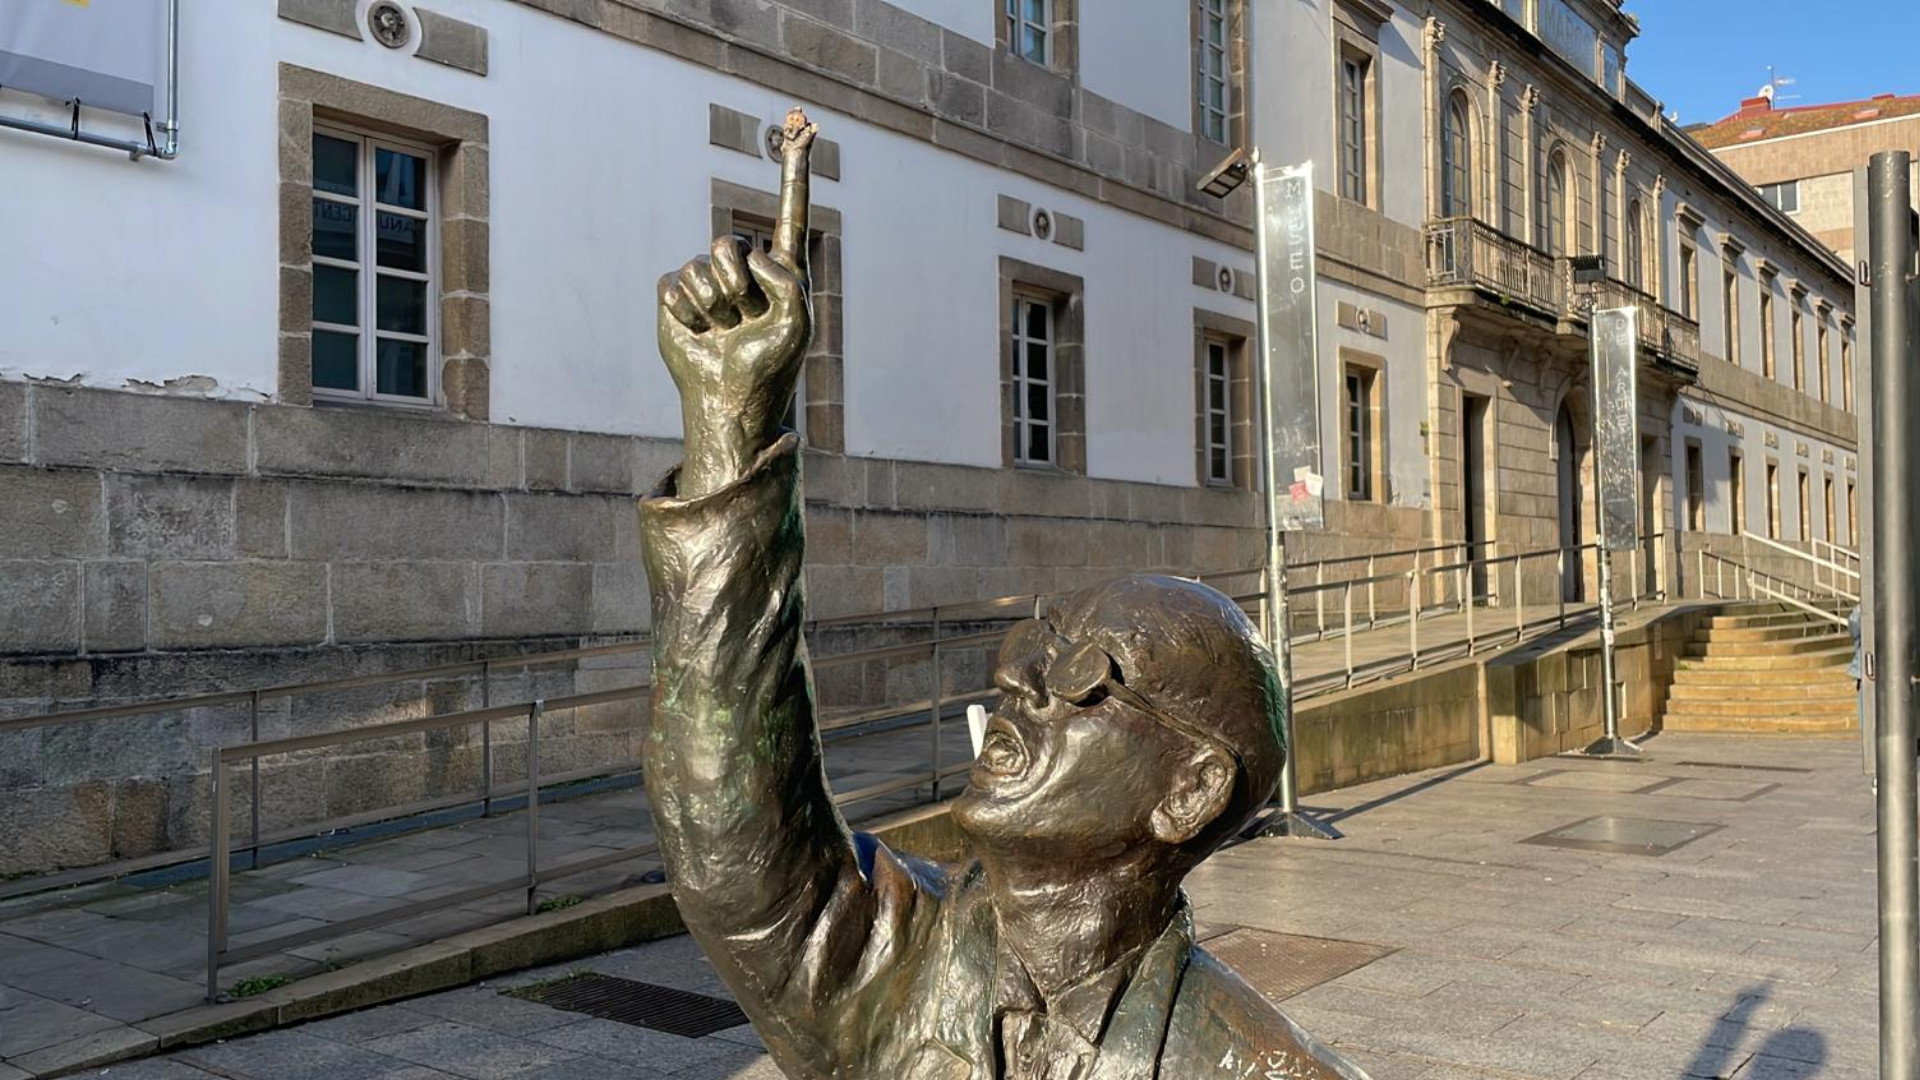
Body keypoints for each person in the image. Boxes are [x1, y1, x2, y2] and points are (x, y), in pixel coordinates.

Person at [640, 108, 1368, 1080]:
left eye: (1086, 672)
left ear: (1188, 791)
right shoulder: (897, 970)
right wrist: (731, 428)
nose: (1020, 674)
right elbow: (729, 830)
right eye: (1041, 636)